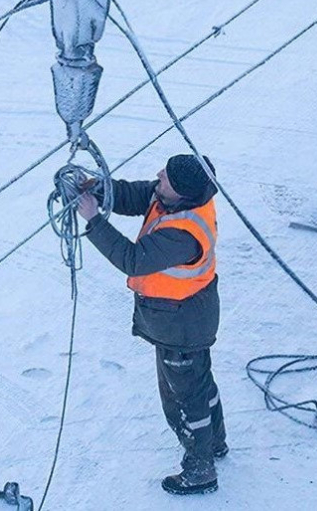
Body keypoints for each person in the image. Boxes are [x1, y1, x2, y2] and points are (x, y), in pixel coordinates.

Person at [77, 154, 226, 494]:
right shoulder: (176, 197)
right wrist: (98, 191)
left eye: (167, 178)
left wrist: (93, 220)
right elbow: (133, 195)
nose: (159, 176)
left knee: (183, 398)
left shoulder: (183, 234)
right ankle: (215, 443)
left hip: (180, 326)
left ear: (182, 193)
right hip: (189, 316)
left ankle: (201, 470)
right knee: (200, 386)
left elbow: (134, 260)